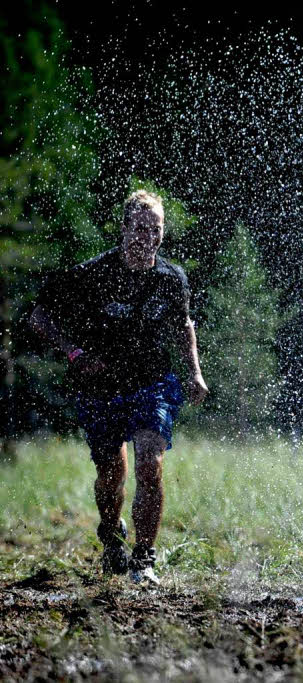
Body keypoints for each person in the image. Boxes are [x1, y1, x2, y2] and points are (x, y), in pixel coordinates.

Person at [29, 190, 209, 585]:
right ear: (124, 229)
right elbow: (39, 316)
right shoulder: (92, 274)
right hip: (101, 388)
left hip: (153, 384)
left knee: (149, 463)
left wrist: (195, 372)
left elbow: (184, 325)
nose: (148, 237)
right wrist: (74, 353)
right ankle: (111, 536)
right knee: (111, 474)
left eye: (156, 229)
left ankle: (144, 558)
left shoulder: (171, 278)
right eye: (140, 228)